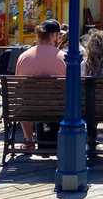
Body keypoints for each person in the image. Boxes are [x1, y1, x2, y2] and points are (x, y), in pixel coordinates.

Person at [15, 19, 67, 150]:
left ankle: (29, 141)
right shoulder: (63, 58)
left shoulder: (24, 57)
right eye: (59, 35)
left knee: (25, 102)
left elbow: (18, 84)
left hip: (29, 109)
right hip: (58, 108)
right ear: (54, 35)